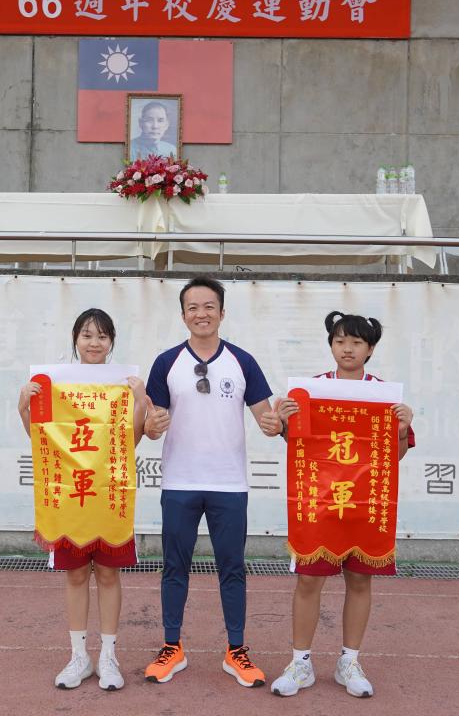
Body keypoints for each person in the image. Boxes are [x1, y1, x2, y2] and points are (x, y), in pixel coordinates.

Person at [259, 310, 415, 700]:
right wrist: (283, 421)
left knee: (360, 581)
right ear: (330, 345)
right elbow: (296, 443)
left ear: (370, 349)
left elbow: (394, 457)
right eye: (340, 341)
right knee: (308, 580)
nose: (348, 349)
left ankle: (350, 661)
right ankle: (300, 662)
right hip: (319, 502)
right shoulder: (311, 391)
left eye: (357, 342)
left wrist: (400, 430)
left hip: (364, 503)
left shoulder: (384, 396)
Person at [142, 276, 282, 688]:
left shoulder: (243, 361)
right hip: (180, 482)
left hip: (229, 485)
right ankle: (172, 647)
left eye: (209, 307)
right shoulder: (166, 363)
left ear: (222, 312)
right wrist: (152, 426)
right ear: (182, 314)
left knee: (232, 567)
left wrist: (275, 424)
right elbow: (152, 423)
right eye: (193, 307)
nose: (201, 314)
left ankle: (236, 650)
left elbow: (266, 419)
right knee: (174, 567)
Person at [17, 308, 149, 692]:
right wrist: (23, 405)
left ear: (112, 342)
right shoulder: (56, 383)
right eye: (87, 335)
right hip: (70, 499)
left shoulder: (124, 385)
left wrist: (141, 401)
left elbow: (131, 442)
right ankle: (79, 656)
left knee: (108, 575)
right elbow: (40, 439)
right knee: (76, 576)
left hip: (107, 496)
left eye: (102, 336)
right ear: (75, 340)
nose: (94, 343)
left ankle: (108, 656)